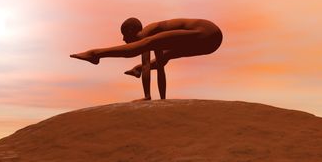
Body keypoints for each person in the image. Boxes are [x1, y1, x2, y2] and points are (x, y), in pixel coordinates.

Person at [70, 17, 223, 102]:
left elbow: (137, 55)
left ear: (131, 31)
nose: (123, 39)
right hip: (210, 42)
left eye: (124, 34)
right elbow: (160, 65)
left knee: (146, 46)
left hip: (206, 33)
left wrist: (147, 97)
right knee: (166, 56)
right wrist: (162, 100)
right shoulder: (155, 33)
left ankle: (95, 54)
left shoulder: (147, 34)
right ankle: (135, 70)